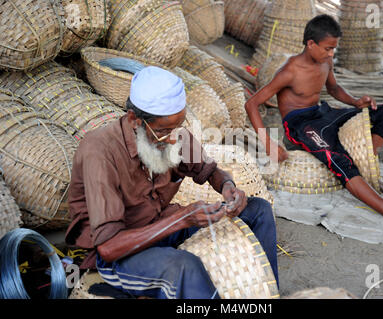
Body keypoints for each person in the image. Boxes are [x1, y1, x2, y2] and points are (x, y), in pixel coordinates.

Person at [65, 66, 278, 299]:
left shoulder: (173, 134)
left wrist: (228, 186)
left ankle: (267, 296)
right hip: (119, 256)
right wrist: (182, 218)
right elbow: (108, 247)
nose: (174, 137)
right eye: (164, 131)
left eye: (179, 126)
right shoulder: (101, 151)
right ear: (134, 120)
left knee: (258, 210)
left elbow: (212, 170)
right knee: (183, 267)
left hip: (162, 227)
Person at [244, 14, 383, 232]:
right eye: (328, 48)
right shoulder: (289, 71)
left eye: (334, 49)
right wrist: (268, 143)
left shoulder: (326, 61)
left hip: (323, 113)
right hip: (300, 125)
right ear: (311, 44)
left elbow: (333, 89)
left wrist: (355, 102)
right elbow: (252, 104)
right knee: (339, 160)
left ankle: (365, 165)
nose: (331, 54)